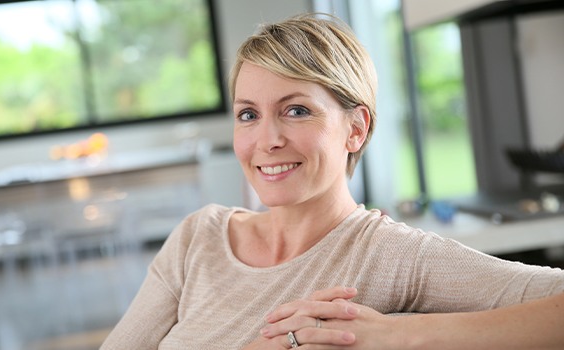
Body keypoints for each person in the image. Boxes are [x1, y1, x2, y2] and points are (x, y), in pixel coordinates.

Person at [100, 13, 564, 349]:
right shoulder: (196, 238)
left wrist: (401, 335)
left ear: (356, 128)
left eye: (296, 110)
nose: (267, 139)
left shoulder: (392, 255)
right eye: (248, 114)